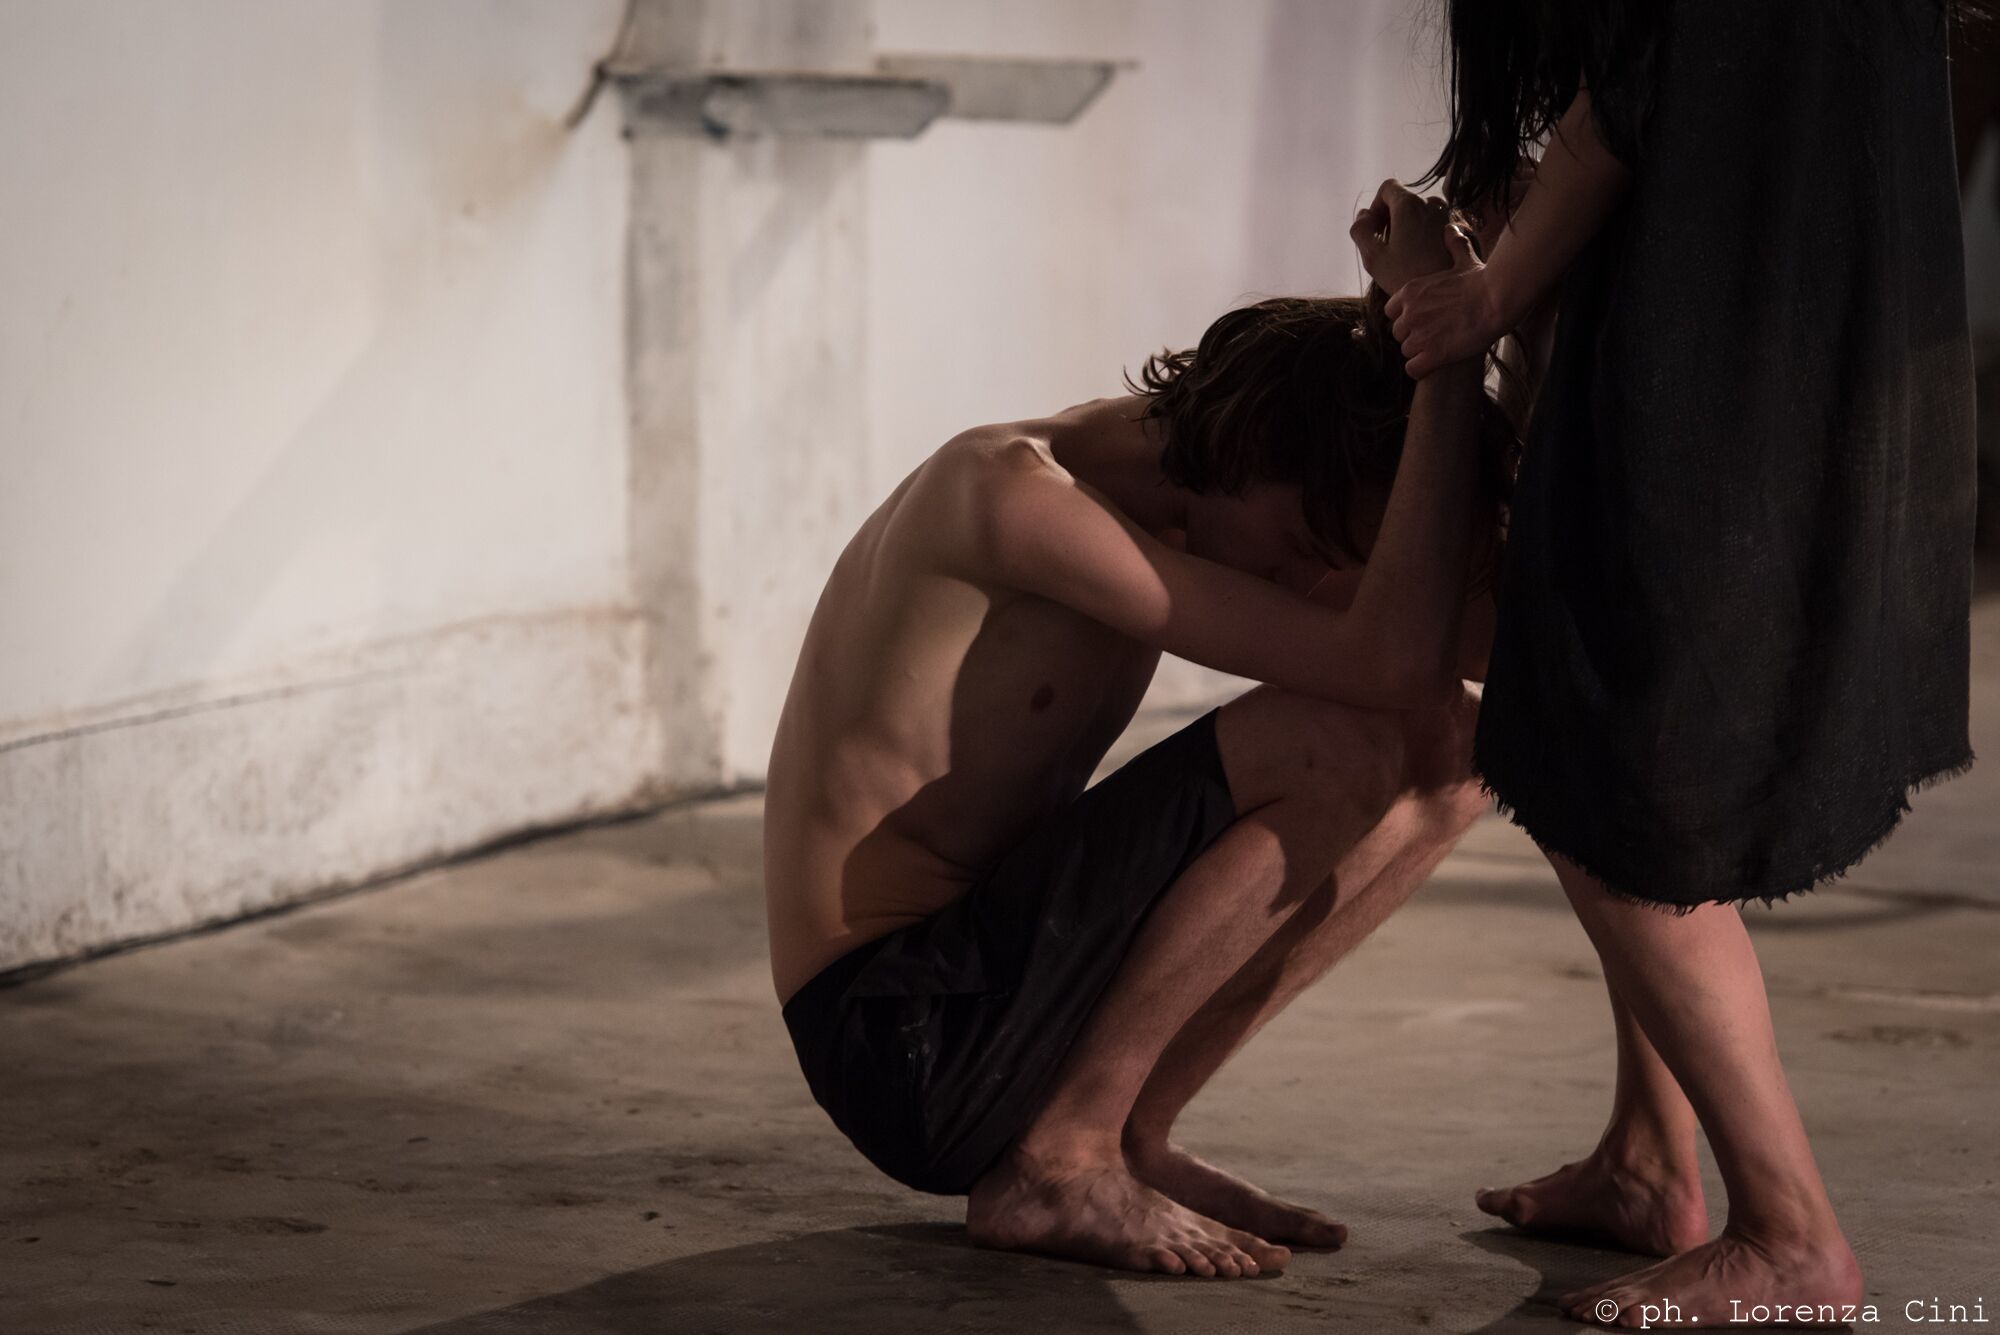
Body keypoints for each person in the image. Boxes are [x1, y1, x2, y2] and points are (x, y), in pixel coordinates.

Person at [763, 182, 1507, 1278]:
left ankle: (1125, 1133)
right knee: (1341, 735)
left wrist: (1519, 331)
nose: (1305, 578)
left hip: (992, 1001)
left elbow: (1482, 649)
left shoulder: (1209, 505)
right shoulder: (1006, 495)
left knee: (1457, 751)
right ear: (1245, 453)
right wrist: (1446, 353)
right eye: (1304, 546)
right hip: (900, 1030)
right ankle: (1057, 1160)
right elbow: (1387, 660)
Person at [1386, 2, 1977, 1327]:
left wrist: (1486, 293)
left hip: (1730, 347)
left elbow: (1640, 83)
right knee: (1596, 743)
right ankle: (1649, 1156)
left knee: (1622, 762)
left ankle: (1791, 1233)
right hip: (1781, 310)